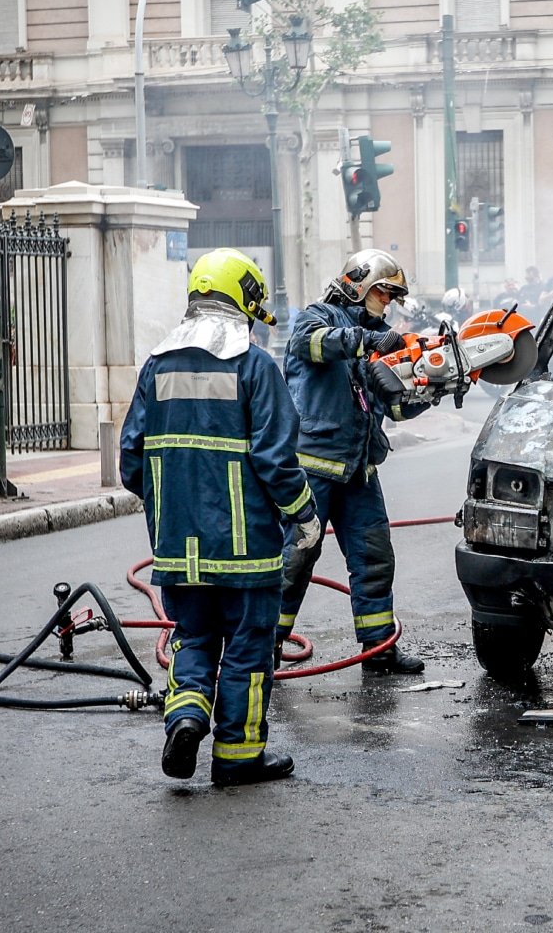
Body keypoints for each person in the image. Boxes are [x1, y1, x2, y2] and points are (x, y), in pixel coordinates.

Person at [120, 248, 320, 787]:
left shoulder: (155, 366)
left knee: (193, 637)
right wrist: (305, 518)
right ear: (242, 301)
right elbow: (277, 461)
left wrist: (172, 505)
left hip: (176, 546)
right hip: (245, 548)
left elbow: (130, 463)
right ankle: (237, 757)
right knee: (249, 649)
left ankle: (185, 717)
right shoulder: (254, 366)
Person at [278, 249, 430, 675]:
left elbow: (389, 407)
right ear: (359, 283)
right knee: (296, 556)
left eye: (394, 295)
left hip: (360, 470)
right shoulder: (316, 317)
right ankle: (266, 644)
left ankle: (378, 649)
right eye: (385, 292)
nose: (389, 302)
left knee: (374, 557)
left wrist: (423, 395)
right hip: (313, 467)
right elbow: (309, 345)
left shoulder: (381, 338)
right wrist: (365, 342)